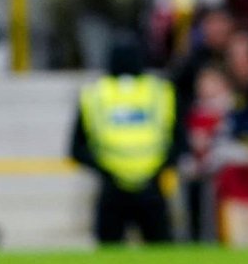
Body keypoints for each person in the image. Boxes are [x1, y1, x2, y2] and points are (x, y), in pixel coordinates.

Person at [70, 33, 181, 243]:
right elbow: (179, 142)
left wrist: (108, 171)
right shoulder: (160, 91)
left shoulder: (95, 94)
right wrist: (156, 169)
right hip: (146, 187)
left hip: (119, 187)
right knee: (160, 255)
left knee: (113, 257)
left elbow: (77, 149)